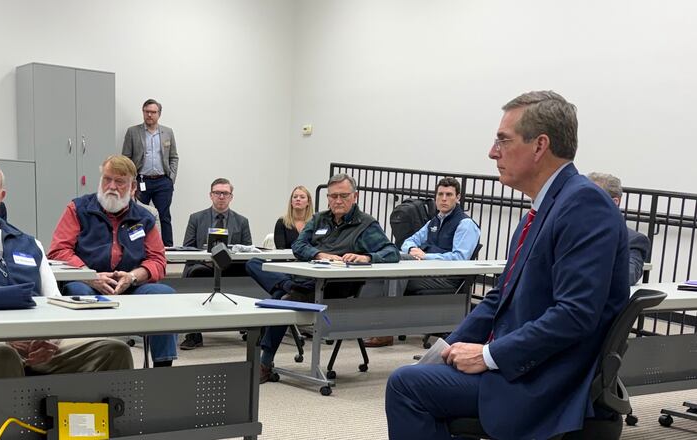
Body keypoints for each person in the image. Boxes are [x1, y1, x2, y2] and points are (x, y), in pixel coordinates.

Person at [385, 91, 629, 440]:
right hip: (527, 367)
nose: (492, 152)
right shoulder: (548, 207)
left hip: (546, 382)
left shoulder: (583, 204)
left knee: (405, 386)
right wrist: (446, 351)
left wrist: (488, 355)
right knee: (420, 375)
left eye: (503, 140)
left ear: (539, 145)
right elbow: (500, 298)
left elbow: (575, 314)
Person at [0, 158, 132, 380]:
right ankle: (11, 416)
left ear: (1, 197)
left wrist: (48, 338)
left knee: (114, 351)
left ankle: (96, 415)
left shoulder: (29, 244)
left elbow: (55, 302)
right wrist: (6, 338)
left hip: (35, 339)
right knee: (1, 356)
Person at [246, 173, 400, 383]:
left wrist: (366, 257)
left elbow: (391, 252)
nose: (338, 201)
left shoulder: (365, 225)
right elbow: (299, 246)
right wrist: (319, 254)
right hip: (306, 277)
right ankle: (288, 286)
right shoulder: (319, 218)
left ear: (355, 196)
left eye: (343, 196)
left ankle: (265, 363)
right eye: (333, 196)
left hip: (333, 287)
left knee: (284, 303)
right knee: (254, 263)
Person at [48, 155, 177, 367]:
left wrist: (133, 276)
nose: (111, 186)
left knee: (164, 296)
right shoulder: (78, 208)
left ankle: (163, 369)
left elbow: (157, 259)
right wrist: (90, 276)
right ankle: (88, 361)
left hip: (130, 285)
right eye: (107, 179)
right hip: (87, 282)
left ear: (133, 187)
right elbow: (58, 250)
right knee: (78, 293)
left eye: (120, 182)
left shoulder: (144, 218)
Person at [365, 177, 480, 347]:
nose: (443, 198)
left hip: (448, 277)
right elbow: (407, 242)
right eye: (440, 194)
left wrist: (425, 256)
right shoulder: (434, 221)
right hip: (426, 271)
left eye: (449, 194)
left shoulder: (465, 224)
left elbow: (459, 258)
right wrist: (413, 251)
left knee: (395, 267)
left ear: (458, 198)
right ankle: (366, 322)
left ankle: (386, 330)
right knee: (391, 257)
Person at [179, 177, 252, 350]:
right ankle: (193, 333)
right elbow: (187, 248)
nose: (221, 196)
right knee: (193, 272)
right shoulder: (196, 218)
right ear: (210, 195)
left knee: (250, 273)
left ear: (231, 197)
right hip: (203, 265)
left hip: (231, 266)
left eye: (225, 193)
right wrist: (204, 257)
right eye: (217, 193)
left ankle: (250, 326)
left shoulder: (242, 221)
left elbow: (247, 250)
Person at [122, 98, 178, 247]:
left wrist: (170, 178)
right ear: (143, 112)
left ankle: (167, 250)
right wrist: (130, 181)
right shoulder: (133, 132)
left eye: (153, 112)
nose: (149, 115)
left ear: (159, 114)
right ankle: (138, 247)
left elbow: (173, 157)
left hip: (162, 181)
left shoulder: (168, 132)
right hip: (141, 181)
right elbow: (125, 158)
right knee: (137, 215)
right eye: (147, 112)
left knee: (164, 215)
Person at [588, 172, 652, 285]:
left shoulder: (633, 240)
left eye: (592, 198)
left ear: (614, 202)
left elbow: (627, 276)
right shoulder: (568, 231)